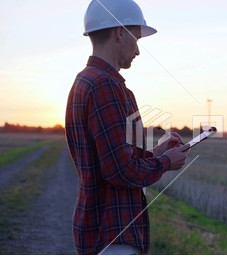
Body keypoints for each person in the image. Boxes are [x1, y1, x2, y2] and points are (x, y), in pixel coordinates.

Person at [65, 0, 190, 255]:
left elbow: (115, 159)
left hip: (106, 232)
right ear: (120, 32)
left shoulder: (88, 81)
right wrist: (165, 163)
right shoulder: (104, 85)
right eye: (137, 37)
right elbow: (119, 170)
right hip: (112, 238)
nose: (138, 50)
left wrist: (157, 154)